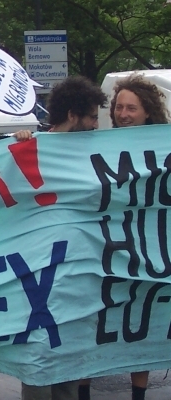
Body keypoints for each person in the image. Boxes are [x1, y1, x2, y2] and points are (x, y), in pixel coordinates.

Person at [14, 76, 107, 400]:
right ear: (72, 115)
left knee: (68, 364)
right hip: (41, 277)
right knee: (40, 359)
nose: (97, 124)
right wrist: (21, 147)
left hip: (78, 276)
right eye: (92, 117)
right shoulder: (33, 149)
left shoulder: (98, 153)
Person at [77, 74, 168, 400]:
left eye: (132, 108)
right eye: (119, 107)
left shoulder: (164, 150)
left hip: (149, 255)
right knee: (91, 326)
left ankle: (138, 396)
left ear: (148, 112)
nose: (123, 114)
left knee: (143, 325)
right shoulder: (97, 148)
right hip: (103, 254)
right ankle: (83, 391)